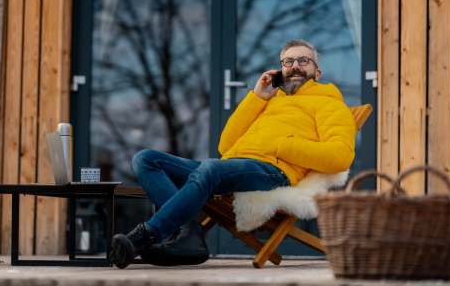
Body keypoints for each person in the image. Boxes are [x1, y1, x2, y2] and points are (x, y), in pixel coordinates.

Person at [109, 39, 357, 269]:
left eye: (304, 61)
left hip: (274, 171)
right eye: (288, 62)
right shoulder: (269, 100)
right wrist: (256, 98)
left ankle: (145, 235)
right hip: (232, 167)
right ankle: (188, 233)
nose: (295, 66)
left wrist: (281, 145)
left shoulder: (329, 103)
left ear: (317, 71)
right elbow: (225, 146)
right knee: (146, 159)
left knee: (211, 168)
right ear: (280, 69)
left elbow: (341, 156)